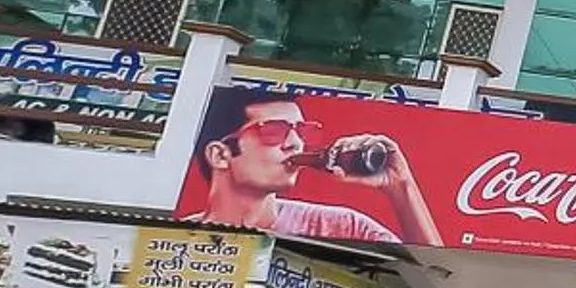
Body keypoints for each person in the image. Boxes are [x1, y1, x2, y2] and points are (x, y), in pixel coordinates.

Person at [181, 85, 439, 245]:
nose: (296, 143)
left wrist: (401, 187)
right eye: (274, 131)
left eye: (303, 131)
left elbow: (440, 282)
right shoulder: (178, 240)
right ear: (220, 155)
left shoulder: (345, 227)